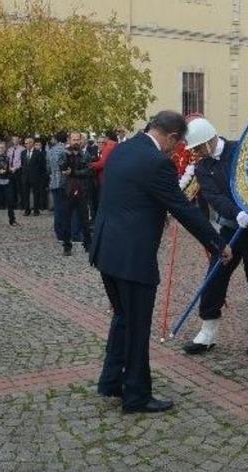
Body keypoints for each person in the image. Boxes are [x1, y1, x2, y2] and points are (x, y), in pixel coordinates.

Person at [90, 111, 232, 414]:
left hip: (106, 250)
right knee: (137, 326)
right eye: (177, 145)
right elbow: (183, 208)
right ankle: (137, 396)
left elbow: (130, 195)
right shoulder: (157, 163)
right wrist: (217, 243)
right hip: (133, 257)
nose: (175, 151)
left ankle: (111, 380)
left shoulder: (124, 149)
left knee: (123, 318)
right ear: (171, 137)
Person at [182, 118, 248, 357]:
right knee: (214, 278)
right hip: (230, 228)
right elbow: (214, 196)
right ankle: (208, 331)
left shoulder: (241, 150)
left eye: (199, 147)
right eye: (194, 148)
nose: (197, 152)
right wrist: (237, 213)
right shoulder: (203, 167)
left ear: (210, 139)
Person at [60, 132, 93, 256]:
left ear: (81, 140)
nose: (76, 142)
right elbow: (62, 167)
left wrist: (73, 172)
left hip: (82, 190)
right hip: (68, 190)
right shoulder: (64, 153)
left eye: (77, 139)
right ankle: (67, 246)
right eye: (73, 140)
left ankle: (88, 244)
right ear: (69, 141)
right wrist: (66, 162)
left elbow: (88, 171)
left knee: (84, 219)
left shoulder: (86, 154)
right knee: (66, 219)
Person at [47, 132, 69, 242]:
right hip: (63, 182)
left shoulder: (50, 150)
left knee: (57, 208)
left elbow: (48, 168)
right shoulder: (65, 151)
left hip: (53, 181)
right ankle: (63, 233)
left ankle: (58, 231)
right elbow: (65, 166)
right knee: (64, 209)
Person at [20, 137, 47, 216]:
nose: (26, 145)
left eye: (28, 143)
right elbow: (23, 164)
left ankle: (36, 210)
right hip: (25, 177)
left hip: (35, 177)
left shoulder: (38, 153)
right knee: (25, 194)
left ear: (32, 143)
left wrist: (41, 177)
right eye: (25, 143)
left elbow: (42, 166)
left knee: (36, 194)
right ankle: (27, 210)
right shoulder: (23, 153)